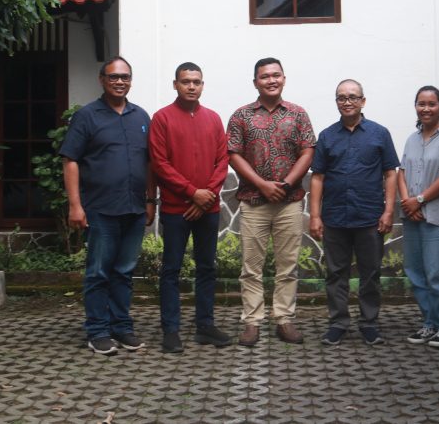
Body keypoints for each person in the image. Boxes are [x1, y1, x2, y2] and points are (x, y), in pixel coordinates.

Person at [60, 57, 155, 356]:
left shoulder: (141, 116)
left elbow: (149, 163)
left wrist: (150, 200)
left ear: (131, 81)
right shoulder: (87, 116)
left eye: (125, 77)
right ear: (102, 79)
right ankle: (98, 331)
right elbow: (70, 160)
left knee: (124, 271)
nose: (119, 82)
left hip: (134, 208)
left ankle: (122, 326)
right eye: (113, 77)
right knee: (98, 272)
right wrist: (75, 205)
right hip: (100, 209)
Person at [227, 57, 316, 347]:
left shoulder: (298, 114)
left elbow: (308, 151)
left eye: (276, 75)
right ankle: (252, 322)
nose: (271, 80)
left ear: (284, 79)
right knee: (251, 267)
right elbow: (233, 154)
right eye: (265, 76)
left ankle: (284, 319)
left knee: (287, 265)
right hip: (254, 201)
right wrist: (262, 185)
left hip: (289, 202)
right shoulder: (241, 116)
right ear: (256, 82)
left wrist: (287, 183)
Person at [149, 62, 231, 353]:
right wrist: (192, 194)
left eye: (196, 81)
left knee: (207, 267)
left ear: (202, 85)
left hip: (208, 209)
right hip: (176, 210)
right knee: (171, 269)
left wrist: (206, 196)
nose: (191, 86)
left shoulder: (213, 118)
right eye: (186, 81)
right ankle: (171, 330)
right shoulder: (162, 118)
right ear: (176, 84)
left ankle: (205, 326)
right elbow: (160, 164)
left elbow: (222, 160)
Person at [308, 79, 399, 346]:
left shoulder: (379, 133)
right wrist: (315, 215)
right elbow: (318, 177)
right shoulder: (327, 136)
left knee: (370, 273)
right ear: (336, 102)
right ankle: (338, 323)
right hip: (335, 216)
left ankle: (369, 323)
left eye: (352, 97)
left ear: (363, 101)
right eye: (341, 97)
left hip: (369, 216)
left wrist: (389, 211)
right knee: (336, 274)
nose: (347, 102)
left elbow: (390, 173)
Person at [397, 85, 439, 349]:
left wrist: (420, 200)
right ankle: (429, 323)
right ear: (416, 106)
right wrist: (408, 202)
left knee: (438, 275)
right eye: (421, 104)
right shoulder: (412, 139)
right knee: (416, 273)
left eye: (431, 104)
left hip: (438, 216)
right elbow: (402, 172)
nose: (426, 108)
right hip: (413, 217)